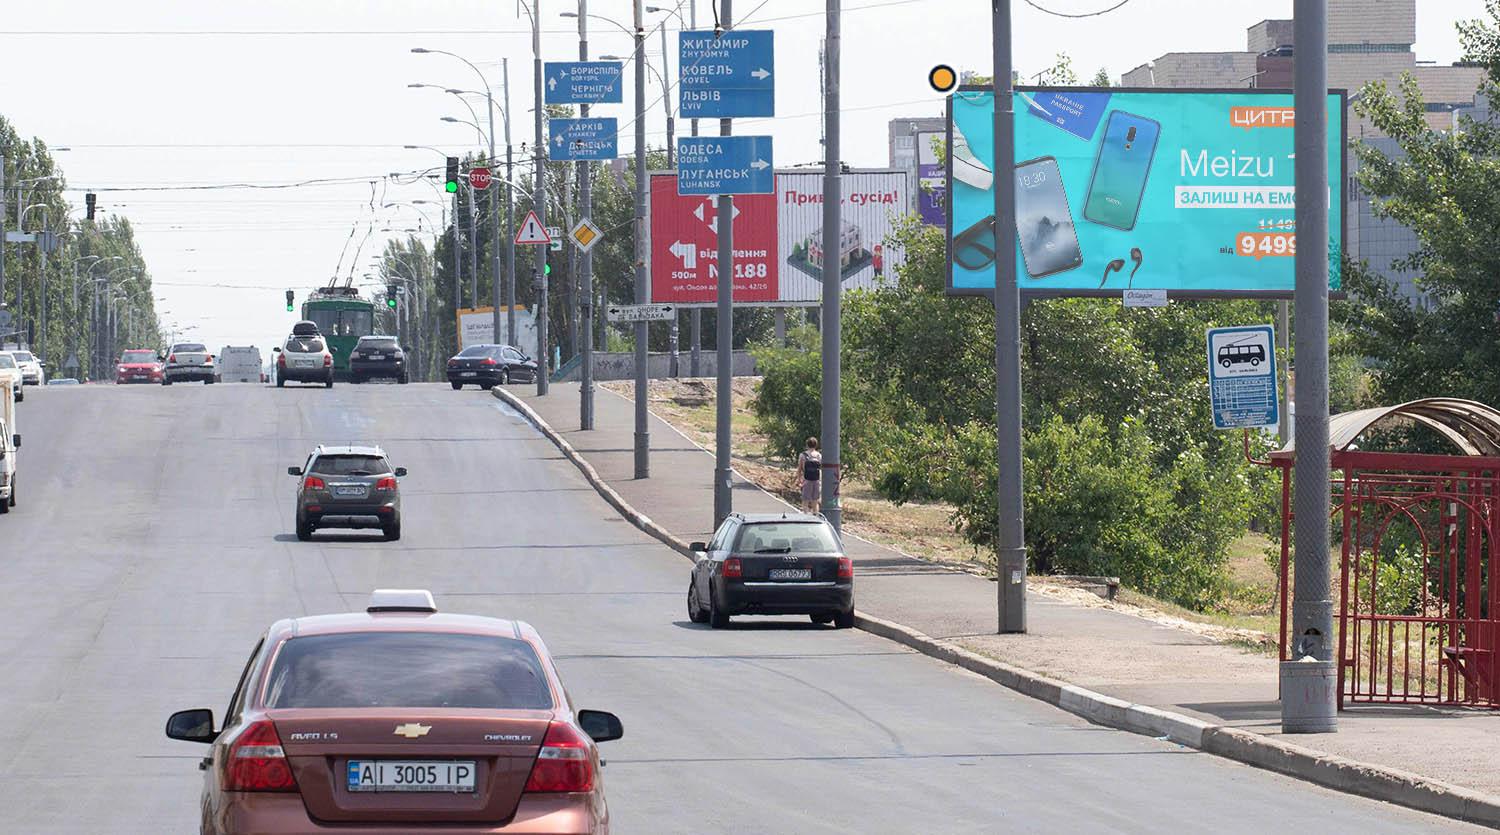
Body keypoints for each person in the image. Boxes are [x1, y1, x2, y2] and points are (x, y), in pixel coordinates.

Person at [797, 437, 822, 514]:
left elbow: (800, 469)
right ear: (816, 445)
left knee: (805, 501)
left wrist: (799, 480)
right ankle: (815, 515)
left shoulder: (803, 455)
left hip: (807, 480)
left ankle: (805, 517)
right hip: (816, 480)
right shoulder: (818, 455)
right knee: (815, 501)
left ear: (807, 445)